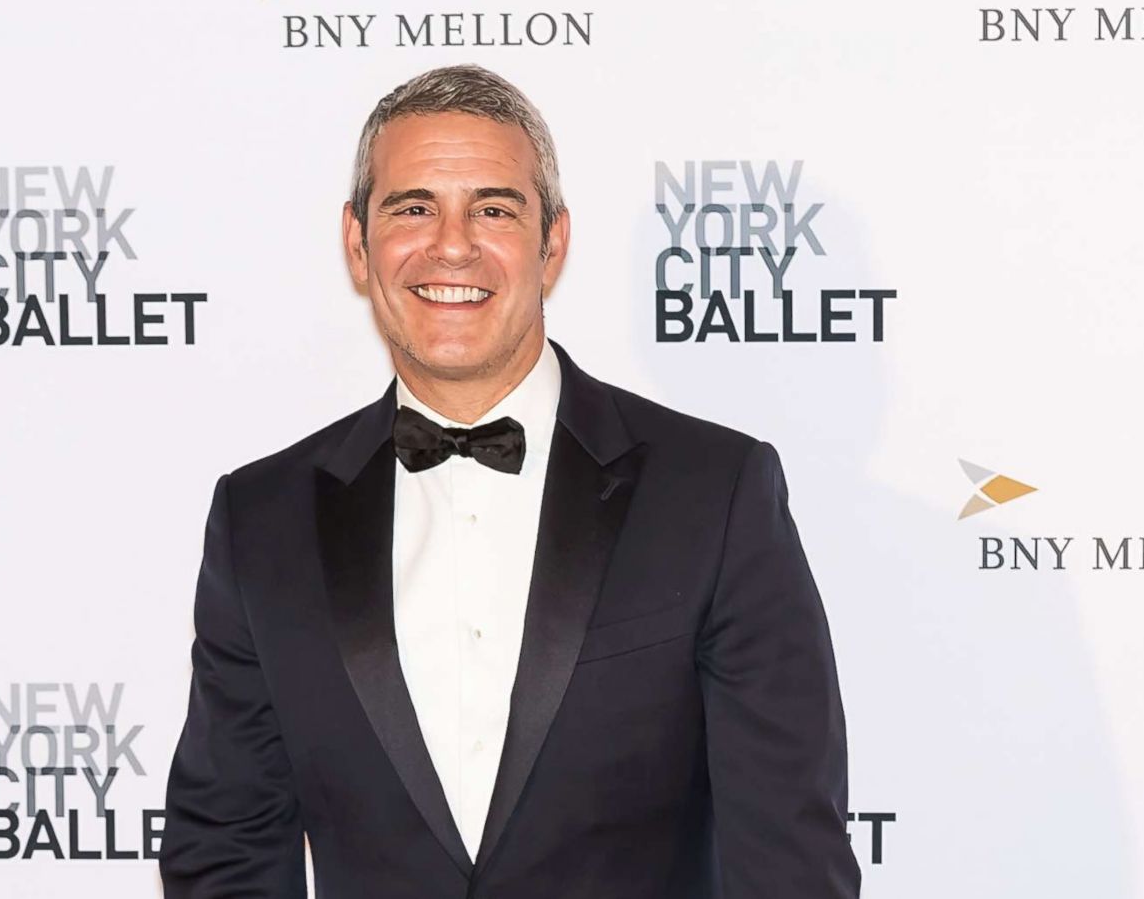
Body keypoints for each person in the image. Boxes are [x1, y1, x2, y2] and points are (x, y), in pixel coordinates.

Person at [159, 63, 861, 899]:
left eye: (493, 209)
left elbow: (788, 858)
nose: (452, 245)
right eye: (413, 207)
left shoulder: (713, 492)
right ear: (357, 243)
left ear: (552, 243)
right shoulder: (261, 520)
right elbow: (227, 846)